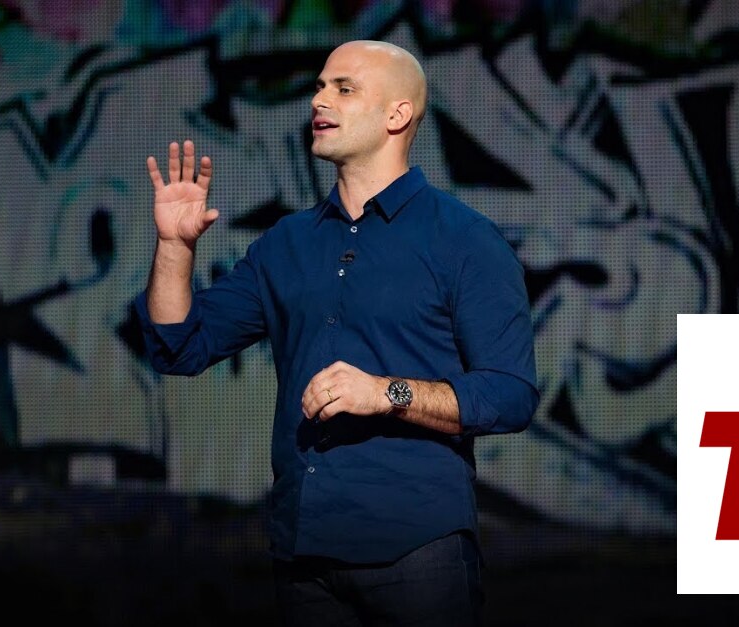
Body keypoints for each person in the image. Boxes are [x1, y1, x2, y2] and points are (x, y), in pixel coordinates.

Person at [136, 39, 538, 626]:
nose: (319, 100)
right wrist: (175, 247)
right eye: (320, 86)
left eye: (344, 89)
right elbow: (179, 346)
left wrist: (386, 392)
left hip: (416, 550)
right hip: (304, 553)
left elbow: (510, 392)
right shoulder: (286, 244)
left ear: (397, 114)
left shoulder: (465, 239)